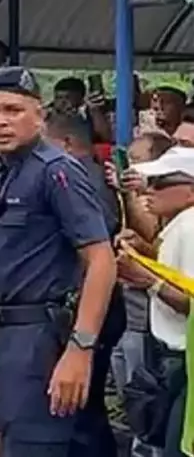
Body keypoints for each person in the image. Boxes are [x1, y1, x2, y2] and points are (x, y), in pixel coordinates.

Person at [0, 66, 119, 457]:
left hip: (43, 336)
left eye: (13, 110)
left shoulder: (56, 171)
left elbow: (101, 259)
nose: (0, 121)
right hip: (8, 331)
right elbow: (6, 260)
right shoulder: (5, 171)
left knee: (39, 444)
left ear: (39, 113)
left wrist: (81, 349)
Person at [115, 147, 194, 457]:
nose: (149, 189)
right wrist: (146, 254)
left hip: (182, 358)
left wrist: (147, 279)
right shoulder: (178, 225)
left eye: (161, 183)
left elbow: (190, 300)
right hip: (168, 355)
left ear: (190, 191)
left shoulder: (190, 228)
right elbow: (178, 275)